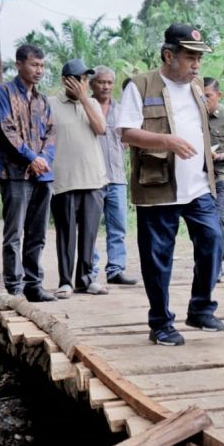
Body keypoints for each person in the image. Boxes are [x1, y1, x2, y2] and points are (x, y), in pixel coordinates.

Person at [117, 23, 224, 346]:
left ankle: (201, 308)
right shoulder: (140, 86)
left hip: (197, 186)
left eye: (199, 58)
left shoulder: (194, 87)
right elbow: (126, 132)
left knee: (213, 238)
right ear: (169, 55)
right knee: (157, 257)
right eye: (190, 57)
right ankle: (160, 323)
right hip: (158, 185)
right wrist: (166, 140)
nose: (197, 65)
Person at [0, 44, 57, 302]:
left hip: (42, 176)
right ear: (19, 64)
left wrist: (43, 160)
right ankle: (14, 287)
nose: (39, 70)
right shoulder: (2, 93)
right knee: (14, 233)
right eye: (34, 65)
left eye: (42, 65)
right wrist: (32, 158)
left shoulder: (42, 100)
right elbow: (7, 131)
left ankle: (34, 285)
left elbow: (51, 133)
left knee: (37, 234)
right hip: (14, 175)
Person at [48, 59, 108, 298]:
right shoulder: (50, 104)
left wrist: (84, 99)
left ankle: (86, 278)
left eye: (85, 79)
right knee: (66, 233)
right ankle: (65, 281)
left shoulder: (92, 102)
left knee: (89, 233)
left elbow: (101, 129)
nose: (83, 83)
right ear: (65, 81)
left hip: (93, 178)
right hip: (63, 180)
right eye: (78, 79)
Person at [89, 65, 138, 286]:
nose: (106, 86)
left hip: (117, 177)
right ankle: (90, 271)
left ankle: (116, 269)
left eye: (109, 82)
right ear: (92, 83)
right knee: (91, 228)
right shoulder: (86, 107)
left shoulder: (121, 109)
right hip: (92, 178)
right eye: (101, 82)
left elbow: (128, 138)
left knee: (118, 227)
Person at [203, 77, 224, 282]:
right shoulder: (193, 115)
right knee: (202, 220)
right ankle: (203, 262)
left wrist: (220, 156)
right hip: (199, 176)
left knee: (217, 217)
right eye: (200, 96)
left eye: (208, 96)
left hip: (221, 172)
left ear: (218, 96)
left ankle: (217, 264)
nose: (204, 101)